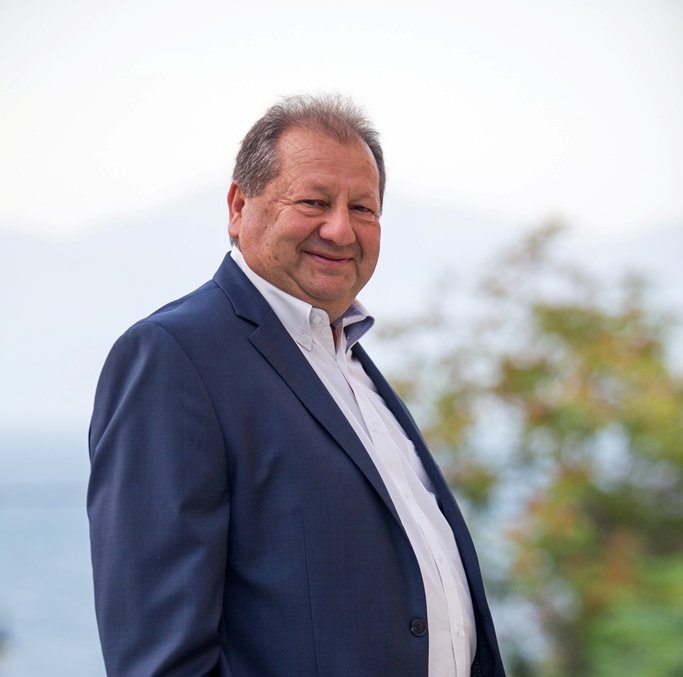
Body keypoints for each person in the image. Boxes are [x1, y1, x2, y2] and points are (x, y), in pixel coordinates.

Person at [88, 94, 506, 676]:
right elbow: (160, 658)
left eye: (363, 208)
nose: (340, 229)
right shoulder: (174, 356)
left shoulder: (349, 361)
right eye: (313, 201)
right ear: (239, 206)